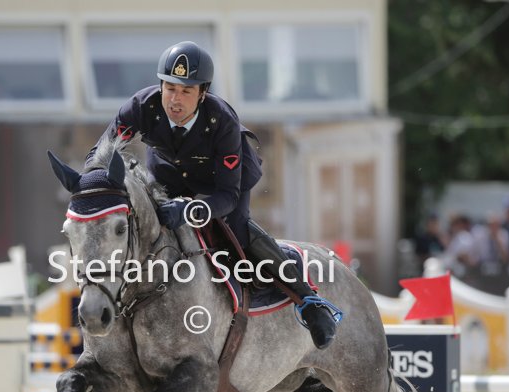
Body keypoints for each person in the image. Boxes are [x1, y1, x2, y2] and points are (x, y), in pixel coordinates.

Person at [85, 41, 338, 349]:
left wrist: (189, 210)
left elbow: (227, 197)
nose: (175, 100)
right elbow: (99, 155)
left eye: (186, 91)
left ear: (202, 93)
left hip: (221, 183)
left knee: (236, 230)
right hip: (168, 174)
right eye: (170, 88)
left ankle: (310, 302)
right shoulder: (141, 106)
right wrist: (93, 186)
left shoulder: (222, 120)